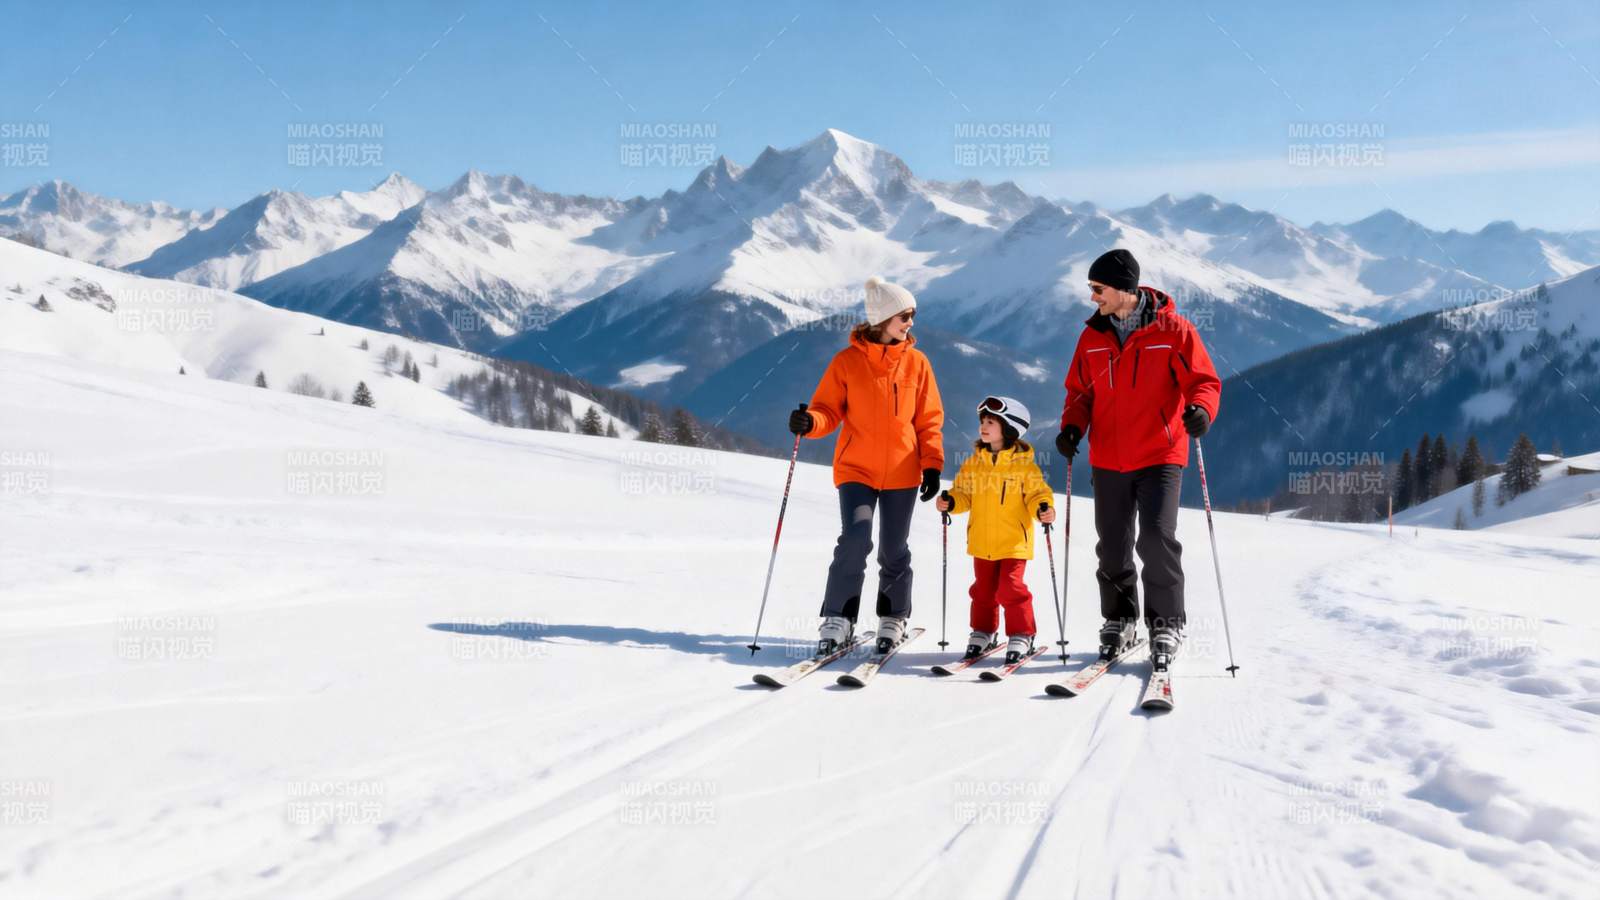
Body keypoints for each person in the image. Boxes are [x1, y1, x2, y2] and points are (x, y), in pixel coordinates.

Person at [1054, 249, 1220, 671]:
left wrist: (1202, 409)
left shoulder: (1173, 331)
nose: (1093, 297)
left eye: (1098, 288)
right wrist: (1072, 426)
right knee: (1112, 546)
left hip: (1161, 454)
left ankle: (1166, 625)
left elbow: (1204, 381)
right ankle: (1119, 619)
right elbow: (1079, 393)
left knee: (1156, 539)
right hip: (1108, 457)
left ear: (1125, 290)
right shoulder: (1092, 337)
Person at [790, 276, 945, 654]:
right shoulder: (846, 363)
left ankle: (893, 617)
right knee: (855, 540)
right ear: (884, 318)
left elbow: (929, 419)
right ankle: (838, 619)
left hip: (902, 472)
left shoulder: (917, 364)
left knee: (894, 549)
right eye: (905, 315)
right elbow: (827, 410)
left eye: (913, 315)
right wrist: (810, 422)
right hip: (856, 470)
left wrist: (932, 465)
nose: (911, 322)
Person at [935, 396, 1055, 665]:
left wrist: (1043, 509)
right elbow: (963, 493)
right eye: (982, 421)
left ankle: (1022, 633)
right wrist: (951, 501)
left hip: (1013, 542)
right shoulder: (975, 463)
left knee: (1011, 588)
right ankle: (983, 631)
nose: (983, 426)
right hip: (982, 541)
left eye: (991, 422)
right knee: (983, 591)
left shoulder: (1024, 465)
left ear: (1010, 428)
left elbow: (1037, 493)